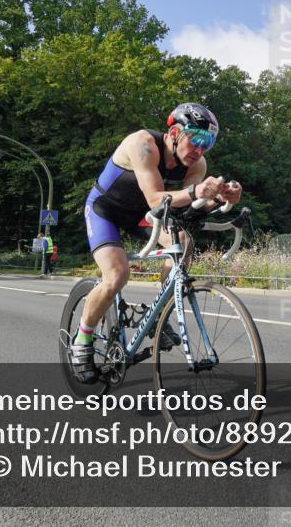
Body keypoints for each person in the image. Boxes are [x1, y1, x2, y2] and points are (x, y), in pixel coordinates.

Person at [72, 103, 242, 384]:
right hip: (106, 210)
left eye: (208, 143)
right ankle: (82, 340)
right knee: (117, 274)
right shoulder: (143, 144)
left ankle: (159, 318)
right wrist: (196, 190)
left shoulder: (196, 164)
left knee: (184, 241)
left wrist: (220, 199)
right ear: (174, 132)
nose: (200, 150)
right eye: (196, 140)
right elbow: (155, 198)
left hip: (143, 216)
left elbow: (187, 208)